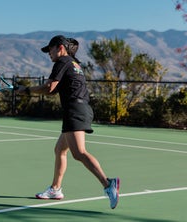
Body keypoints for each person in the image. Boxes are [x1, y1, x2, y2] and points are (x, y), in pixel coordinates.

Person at [16, 35, 120, 209]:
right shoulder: (73, 64)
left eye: (50, 49)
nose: (48, 53)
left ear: (60, 47)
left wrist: (26, 90)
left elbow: (49, 87)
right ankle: (56, 189)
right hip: (79, 109)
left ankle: (107, 183)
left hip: (75, 111)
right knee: (60, 150)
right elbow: (54, 90)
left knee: (79, 153)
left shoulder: (62, 62)